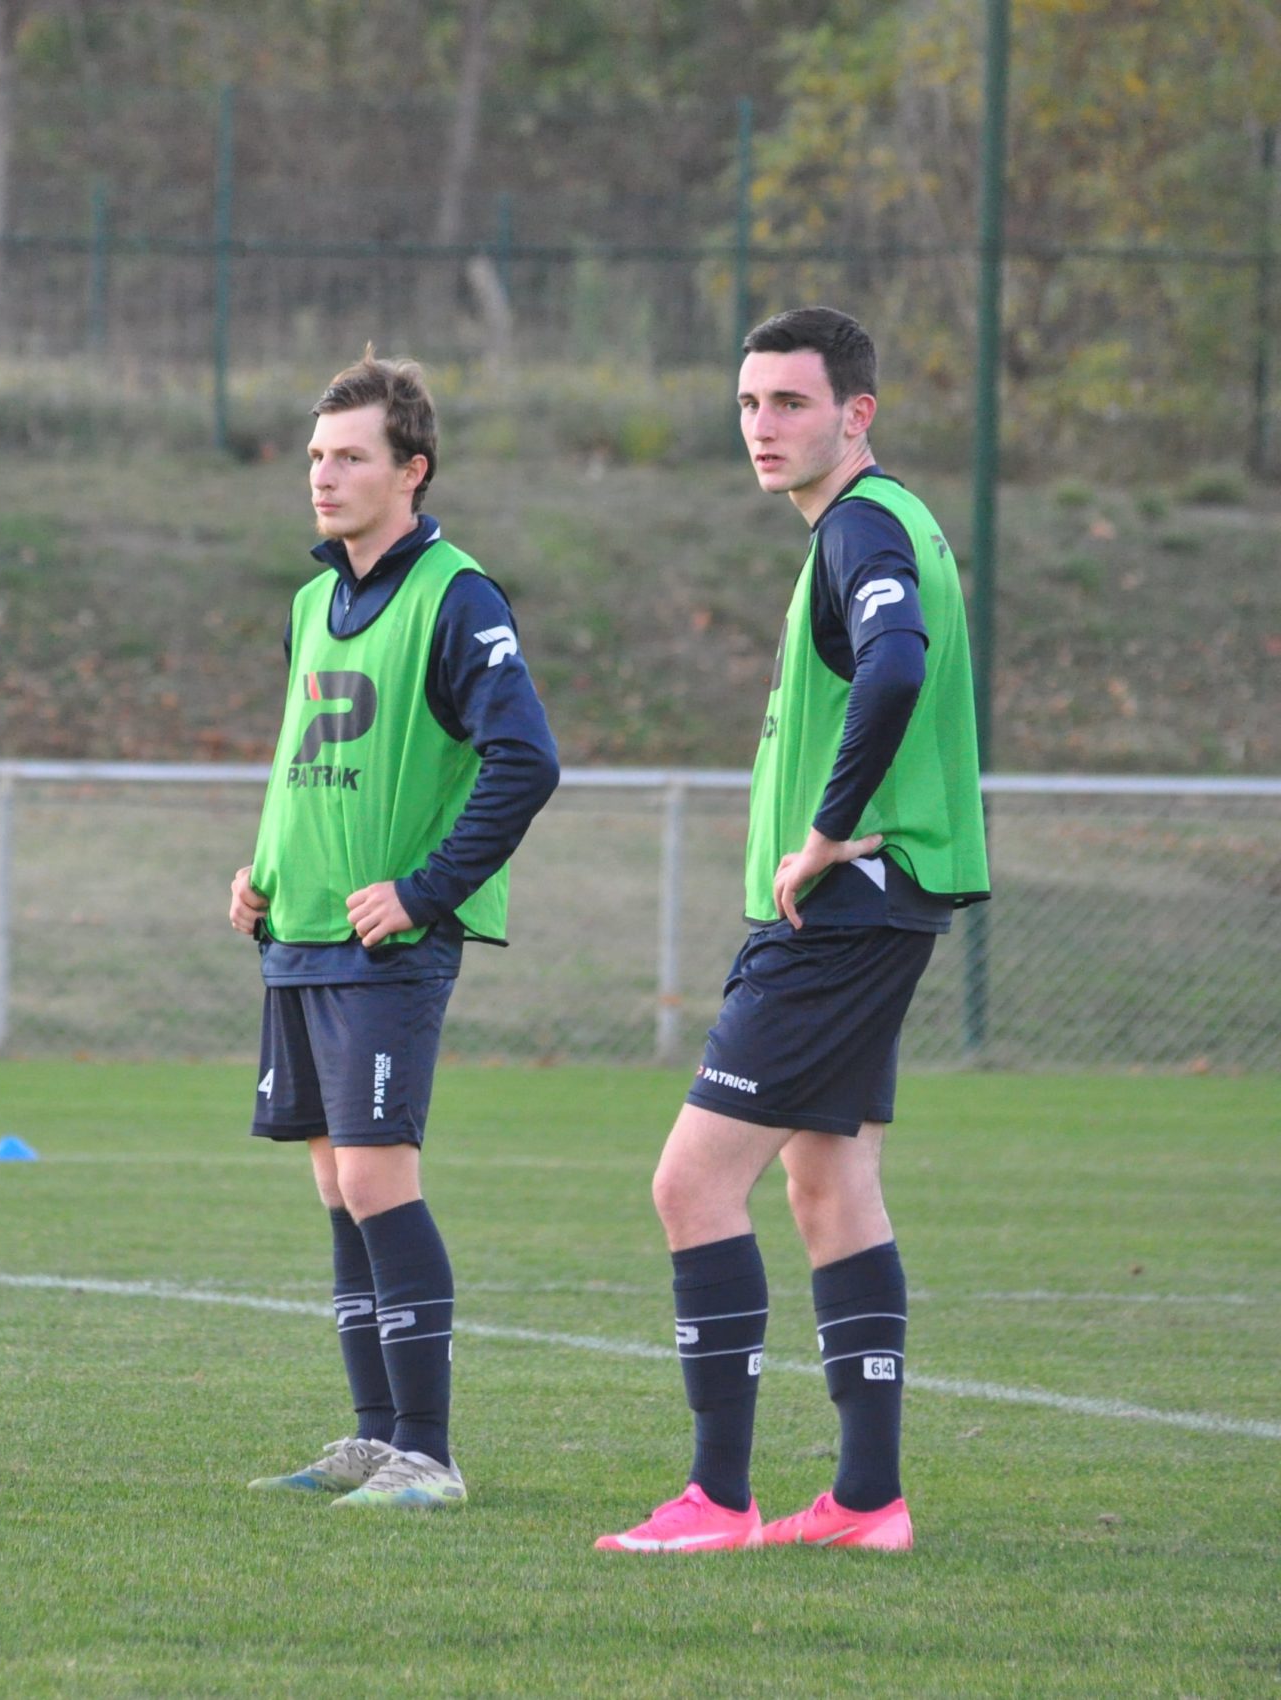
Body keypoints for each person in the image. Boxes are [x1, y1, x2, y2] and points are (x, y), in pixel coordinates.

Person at [596, 306, 987, 1554]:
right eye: (749, 403)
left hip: (839, 912)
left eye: (790, 403)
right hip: (884, 905)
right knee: (829, 1181)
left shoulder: (864, 524)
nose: (762, 426)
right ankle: (867, 1501)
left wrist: (823, 833)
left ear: (855, 413)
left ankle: (717, 1496)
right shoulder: (883, 522)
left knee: (692, 1180)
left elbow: (893, 666)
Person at [230, 350, 559, 1511]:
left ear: (410, 470)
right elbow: (308, 754)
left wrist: (423, 890)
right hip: (302, 931)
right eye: (316, 455)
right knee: (334, 1181)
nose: (323, 475)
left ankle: (430, 1452)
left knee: (377, 1176)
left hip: (387, 942)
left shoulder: (458, 595)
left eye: (350, 456)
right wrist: (262, 868)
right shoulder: (314, 599)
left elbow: (527, 759)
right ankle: (373, 1438)